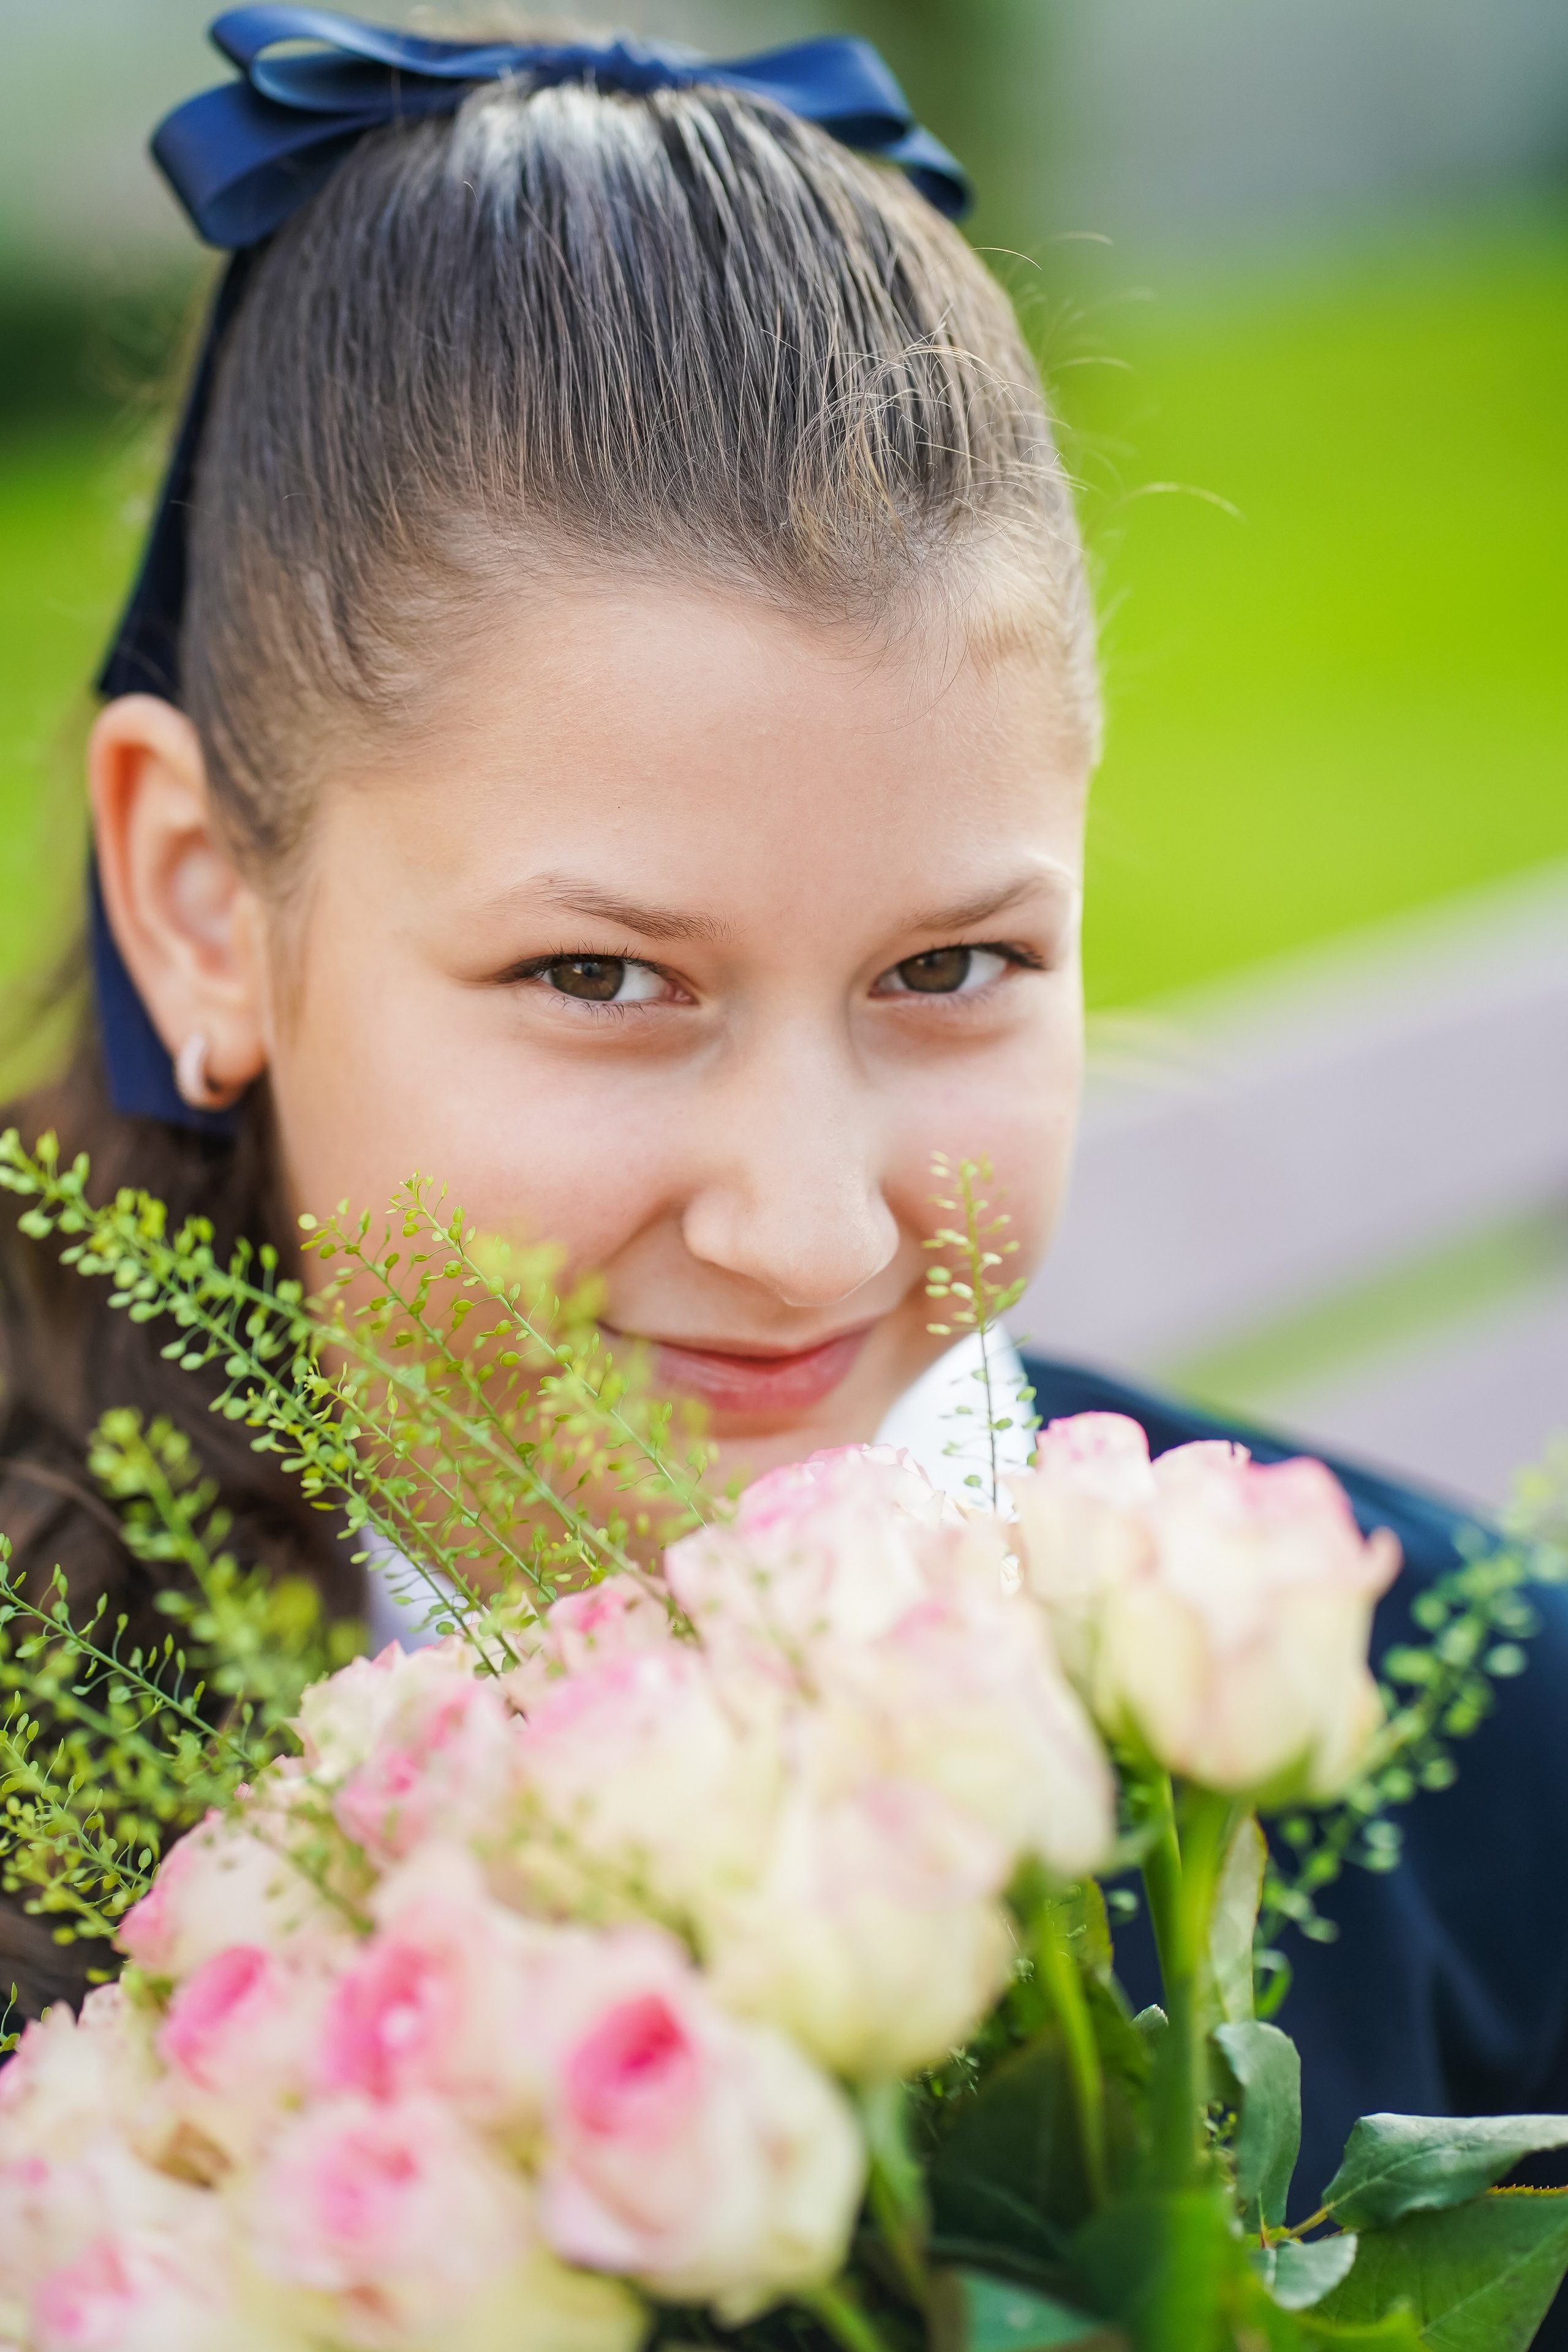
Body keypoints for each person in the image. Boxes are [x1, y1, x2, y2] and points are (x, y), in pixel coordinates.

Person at [3, 13, 1567, 2335]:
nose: (813, 1227)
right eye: (605, 982)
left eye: (951, 963)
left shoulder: (1471, 1734)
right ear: (206, 902)